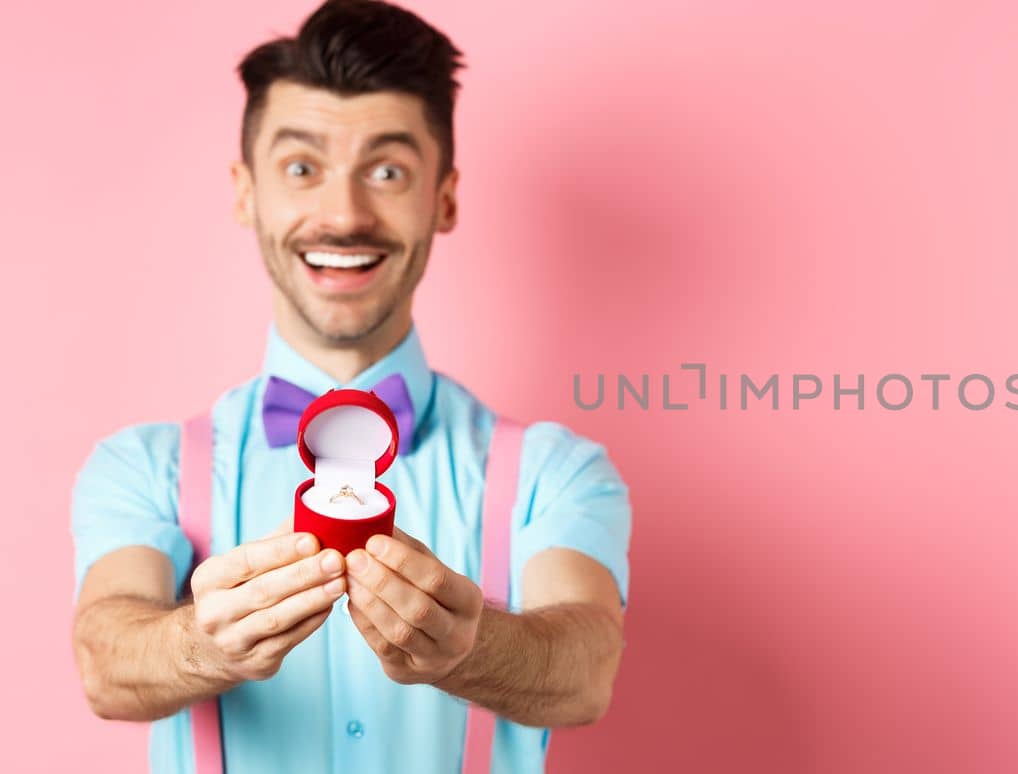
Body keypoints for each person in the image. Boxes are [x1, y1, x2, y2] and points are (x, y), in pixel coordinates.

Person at [67, 1, 631, 772]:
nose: (343, 213)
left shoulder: (554, 470)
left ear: (445, 197)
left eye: (388, 171)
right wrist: (201, 642)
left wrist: (469, 648)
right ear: (246, 192)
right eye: (302, 168)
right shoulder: (143, 466)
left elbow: (585, 671)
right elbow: (105, 661)